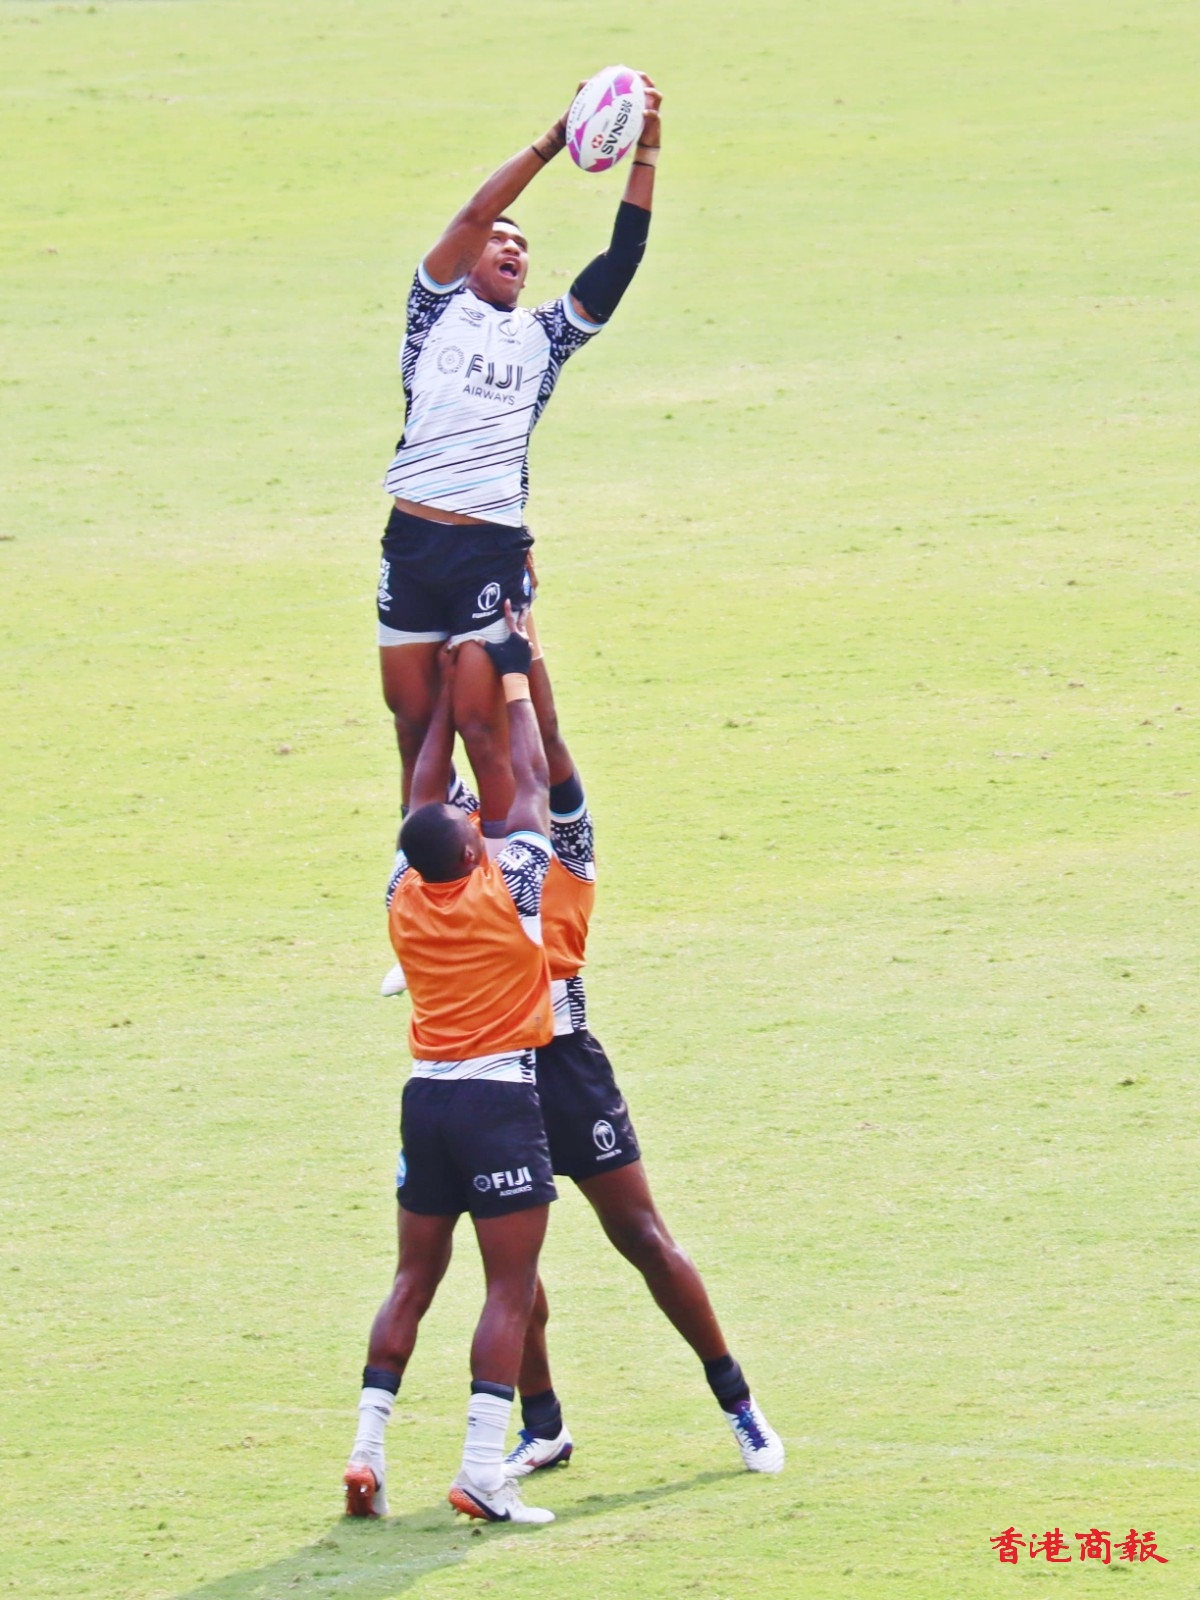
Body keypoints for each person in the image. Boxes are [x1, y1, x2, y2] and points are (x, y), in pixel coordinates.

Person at [431, 616, 786, 1476]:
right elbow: (434, 766)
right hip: (489, 1071)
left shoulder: (561, 830)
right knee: (509, 1266)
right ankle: (543, 1425)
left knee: (642, 1235)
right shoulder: (463, 826)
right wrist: (444, 669)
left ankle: (739, 1403)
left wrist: (525, 653)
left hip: (562, 1061)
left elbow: (545, 740)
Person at [376, 73, 662, 999]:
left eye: (524, 245)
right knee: (411, 724)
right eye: (500, 239)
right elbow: (472, 211)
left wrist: (645, 153)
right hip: (409, 547)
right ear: (466, 260)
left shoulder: (545, 339)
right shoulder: (432, 310)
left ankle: (515, 909)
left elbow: (621, 260)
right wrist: (551, 140)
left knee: (481, 726)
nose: (511, 245)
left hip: (488, 554)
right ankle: (428, 908)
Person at [343, 608, 563, 1525]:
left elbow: (421, 804)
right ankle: (481, 1471)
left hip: (424, 1103)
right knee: (508, 1288)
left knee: (411, 1280)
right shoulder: (513, 887)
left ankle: (365, 1452)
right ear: (473, 849)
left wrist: (436, 703)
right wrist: (512, 675)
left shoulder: (403, 895)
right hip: (498, 1101)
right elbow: (533, 779)